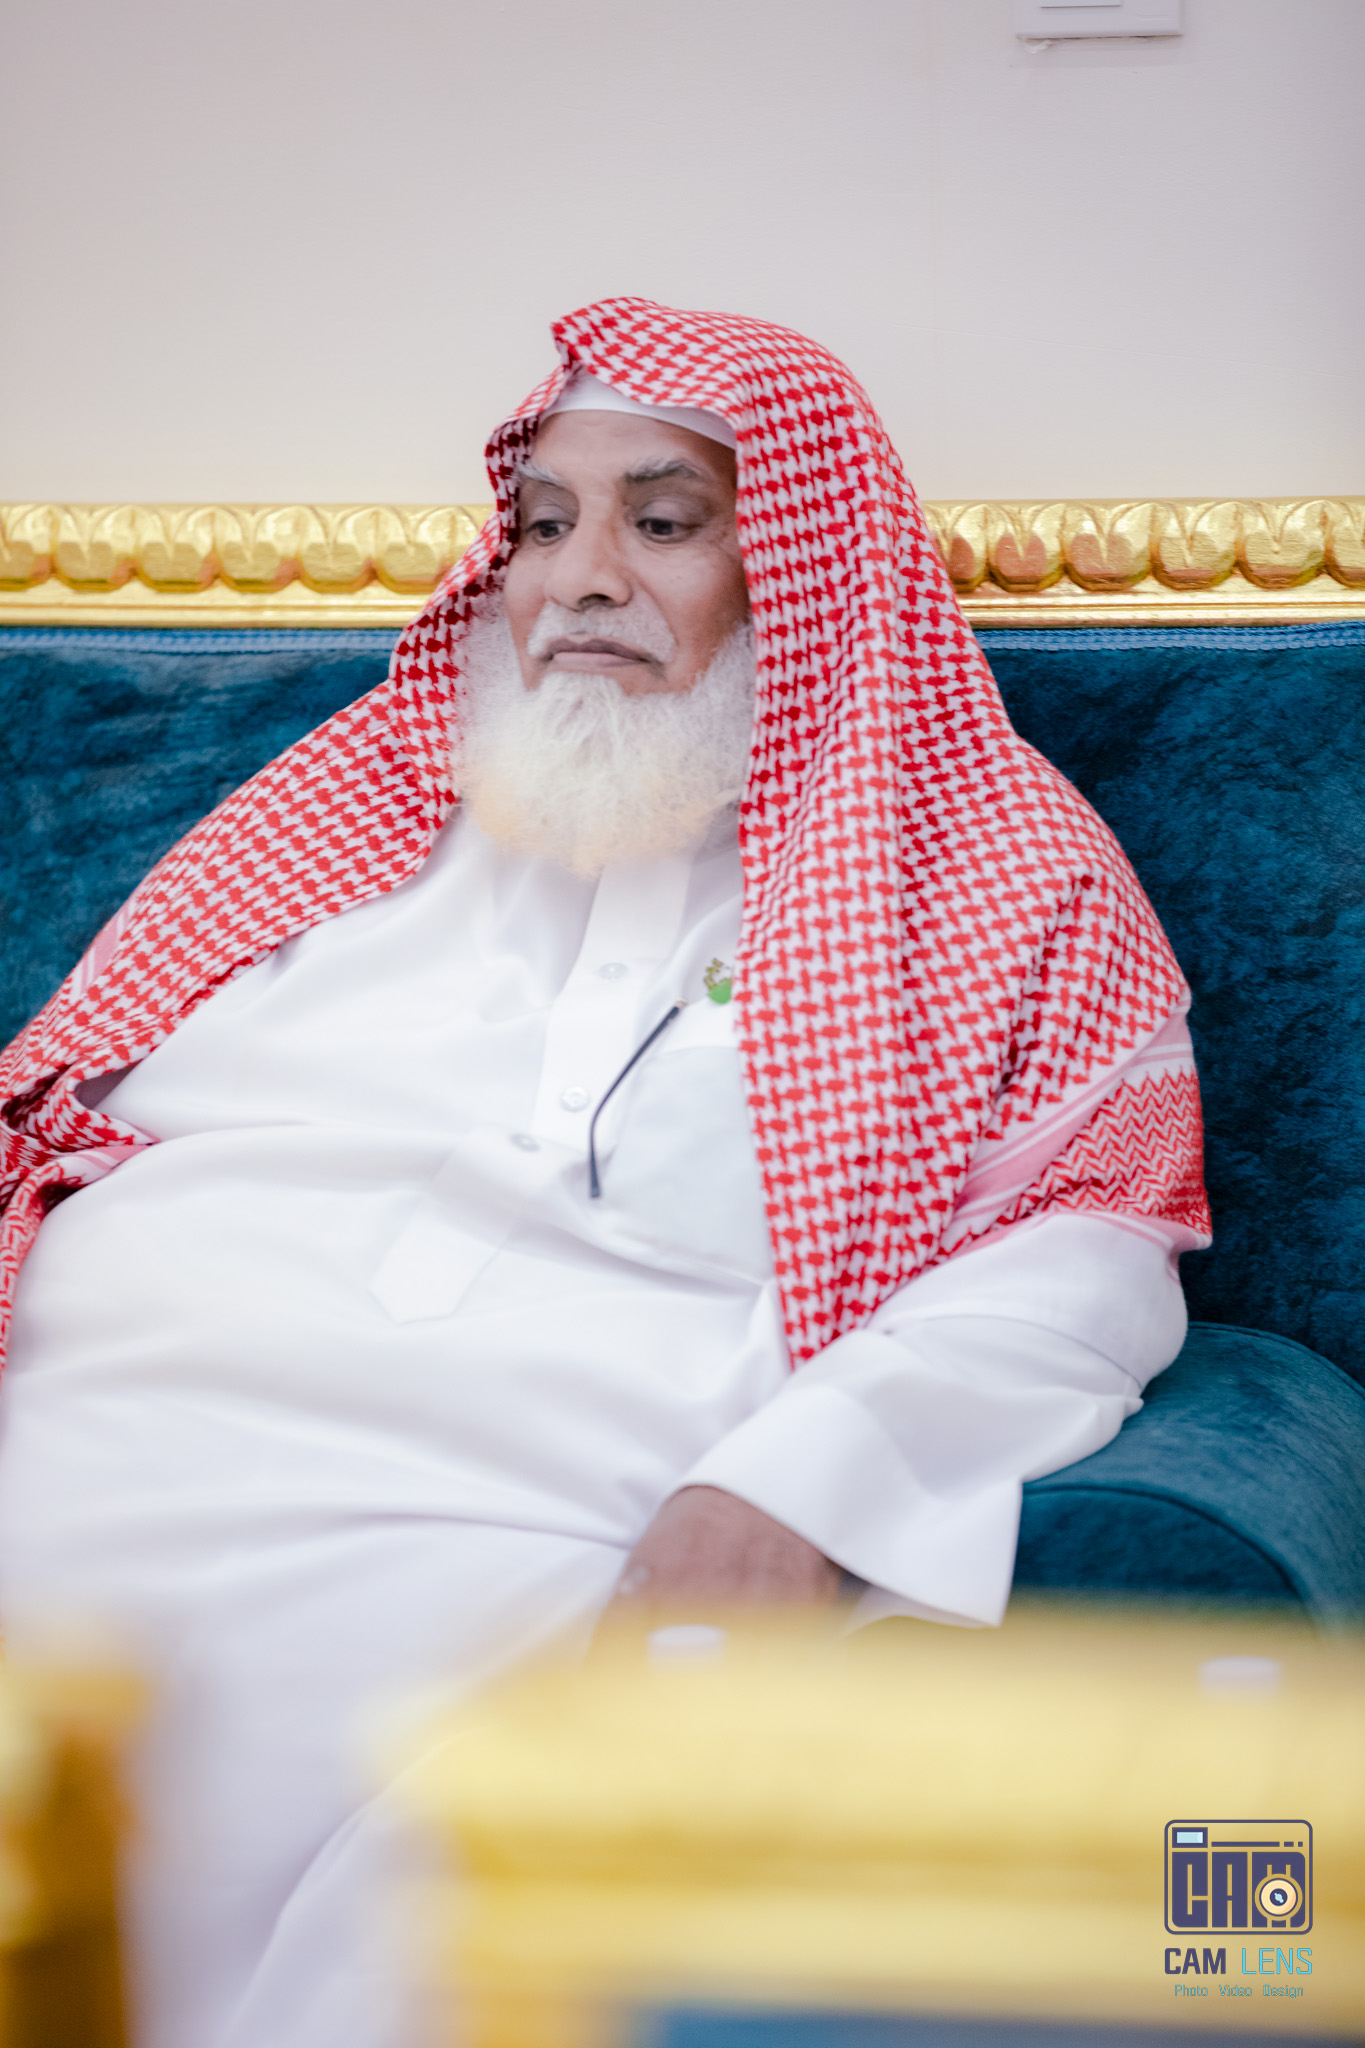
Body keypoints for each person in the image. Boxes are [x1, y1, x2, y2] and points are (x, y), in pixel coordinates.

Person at [0, 298, 1208, 2048]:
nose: (578, 580)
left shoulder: (989, 867)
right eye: (546, 524)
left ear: (800, 566)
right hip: (100, 1415)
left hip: (501, 1513)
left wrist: (802, 1487)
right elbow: (51, 1114)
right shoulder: (358, 806)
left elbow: (1085, 1250)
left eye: (663, 520)